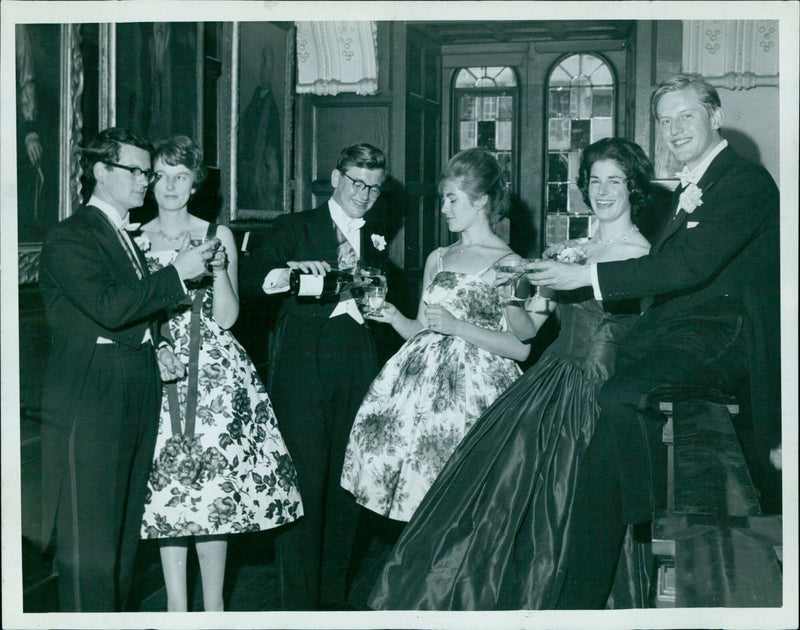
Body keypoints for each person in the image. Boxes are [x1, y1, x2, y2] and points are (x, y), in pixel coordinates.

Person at [525, 74, 781, 609]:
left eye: (685, 116)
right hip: (676, 334)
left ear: (715, 116)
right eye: (665, 120)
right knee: (598, 408)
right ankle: (586, 577)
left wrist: (587, 280)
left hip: (722, 336)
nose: (674, 129)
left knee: (618, 397)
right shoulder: (688, 187)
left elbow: (688, 265)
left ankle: (643, 522)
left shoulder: (747, 181)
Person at [368, 138, 653, 610]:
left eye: (614, 181)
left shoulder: (642, 256)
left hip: (600, 388)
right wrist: (509, 297)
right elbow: (529, 329)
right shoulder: (569, 248)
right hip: (549, 379)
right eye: (595, 180)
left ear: (633, 188)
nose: (602, 191)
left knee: (573, 509)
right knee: (500, 500)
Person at [38, 127, 216, 612]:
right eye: (136, 170)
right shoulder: (70, 235)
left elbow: (133, 312)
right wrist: (177, 272)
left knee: (121, 543)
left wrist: (156, 342)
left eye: (147, 171)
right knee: (90, 544)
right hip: (94, 396)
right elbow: (110, 306)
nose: (146, 180)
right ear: (101, 171)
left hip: (134, 386)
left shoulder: (122, 234)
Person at [136, 136, 303, 611]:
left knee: (212, 488)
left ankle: (213, 607)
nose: (169, 186)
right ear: (150, 182)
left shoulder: (216, 232)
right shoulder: (134, 238)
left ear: (194, 184)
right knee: (168, 487)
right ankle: (175, 607)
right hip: (158, 365)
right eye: (161, 175)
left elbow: (228, 317)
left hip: (214, 375)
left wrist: (221, 269)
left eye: (180, 177)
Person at [341, 147, 532, 525]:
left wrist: (458, 326)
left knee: (466, 497)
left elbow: (520, 348)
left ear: (480, 201)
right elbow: (422, 329)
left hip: (474, 392)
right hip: (419, 391)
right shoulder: (438, 257)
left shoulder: (509, 263)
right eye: (443, 197)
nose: (443, 207)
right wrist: (392, 316)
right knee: (418, 494)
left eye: (452, 198)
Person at [238, 143, 390, 610]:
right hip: (302, 368)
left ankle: (331, 602)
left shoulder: (375, 235)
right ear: (335, 176)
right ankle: (298, 608)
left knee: (346, 485)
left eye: (374, 187)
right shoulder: (295, 226)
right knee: (303, 488)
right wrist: (289, 270)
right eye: (356, 183)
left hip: (359, 363)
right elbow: (250, 278)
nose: (364, 195)